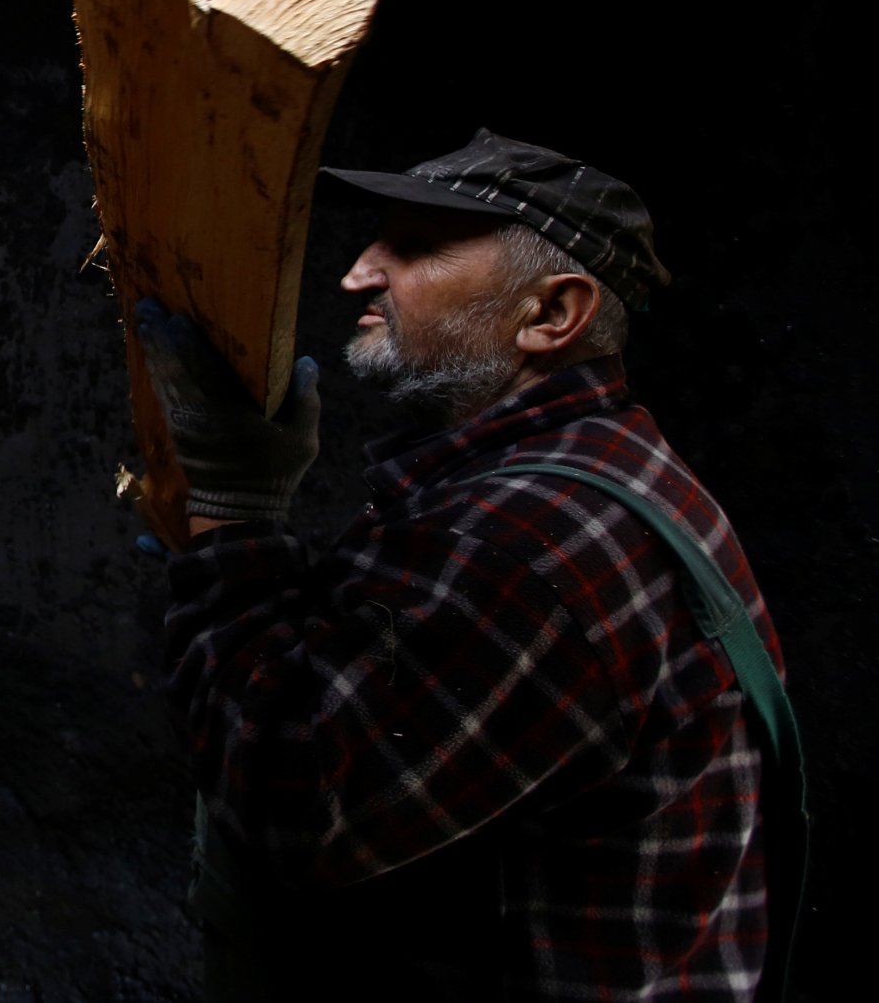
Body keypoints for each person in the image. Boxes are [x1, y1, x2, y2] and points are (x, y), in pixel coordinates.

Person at [137, 129, 800, 1002]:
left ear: (550, 314)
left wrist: (233, 523)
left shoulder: (527, 542)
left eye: (414, 247)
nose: (359, 272)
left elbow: (297, 810)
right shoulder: (589, 466)